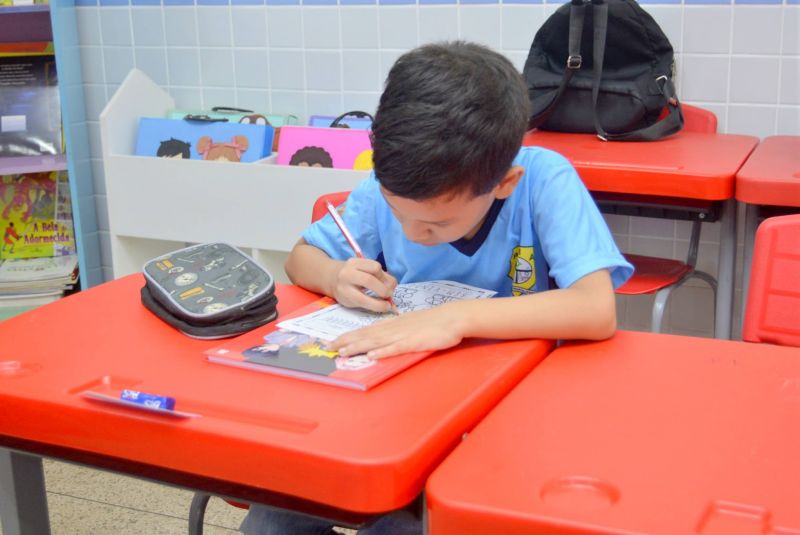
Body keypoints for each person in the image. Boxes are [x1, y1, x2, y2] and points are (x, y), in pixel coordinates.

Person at [240, 40, 633, 535]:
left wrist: (452, 320)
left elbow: (596, 309)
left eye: (435, 224)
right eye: (397, 212)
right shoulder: (394, 181)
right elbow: (302, 257)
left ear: (503, 183)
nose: (409, 233)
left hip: (501, 423)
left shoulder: (542, 180)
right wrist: (333, 276)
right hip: (392, 407)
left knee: (410, 527)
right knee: (278, 514)